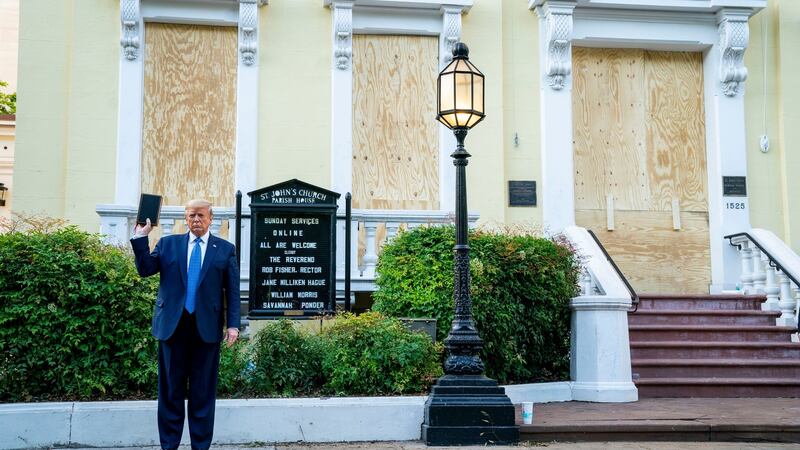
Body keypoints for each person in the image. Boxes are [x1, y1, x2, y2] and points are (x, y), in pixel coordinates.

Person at [131, 198, 240, 450]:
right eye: (191, 216)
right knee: (170, 393)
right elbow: (145, 269)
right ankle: (169, 445)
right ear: (186, 218)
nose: (196, 220)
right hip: (172, 329)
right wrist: (140, 237)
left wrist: (233, 325)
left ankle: (200, 446)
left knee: (203, 394)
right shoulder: (169, 244)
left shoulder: (224, 249)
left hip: (207, 331)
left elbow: (232, 292)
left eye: (201, 216)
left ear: (211, 218)